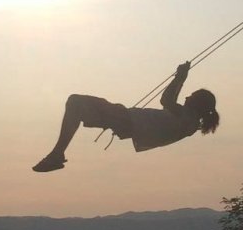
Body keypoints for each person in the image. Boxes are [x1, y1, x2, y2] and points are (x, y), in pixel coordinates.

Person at [32, 61, 219, 172]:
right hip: (126, 122)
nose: (187, 97)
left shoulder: (188, 119)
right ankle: (57, 153)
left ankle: (57, 153)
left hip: (126, 119)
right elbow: (169, 103)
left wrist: (180, 77)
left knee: (75, 102)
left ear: (197, 104)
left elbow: (167, 100)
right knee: (76, 107)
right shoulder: (188, 122)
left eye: (191, 96)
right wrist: (180, 78)